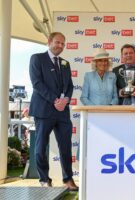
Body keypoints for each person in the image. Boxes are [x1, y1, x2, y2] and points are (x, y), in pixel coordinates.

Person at [29, 32, 78, 191]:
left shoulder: (65, 63)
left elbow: (70, 86)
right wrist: (55, 100)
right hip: (43, 110)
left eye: (63, 44)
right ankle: (44, 179)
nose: (60, 46)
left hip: (62, 111)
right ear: (49, 42)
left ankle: (68, 179)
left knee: (65, 146)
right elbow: (37, 83)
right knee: (41, 146)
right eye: (57, 42)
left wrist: (66, 100)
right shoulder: (37, 58)